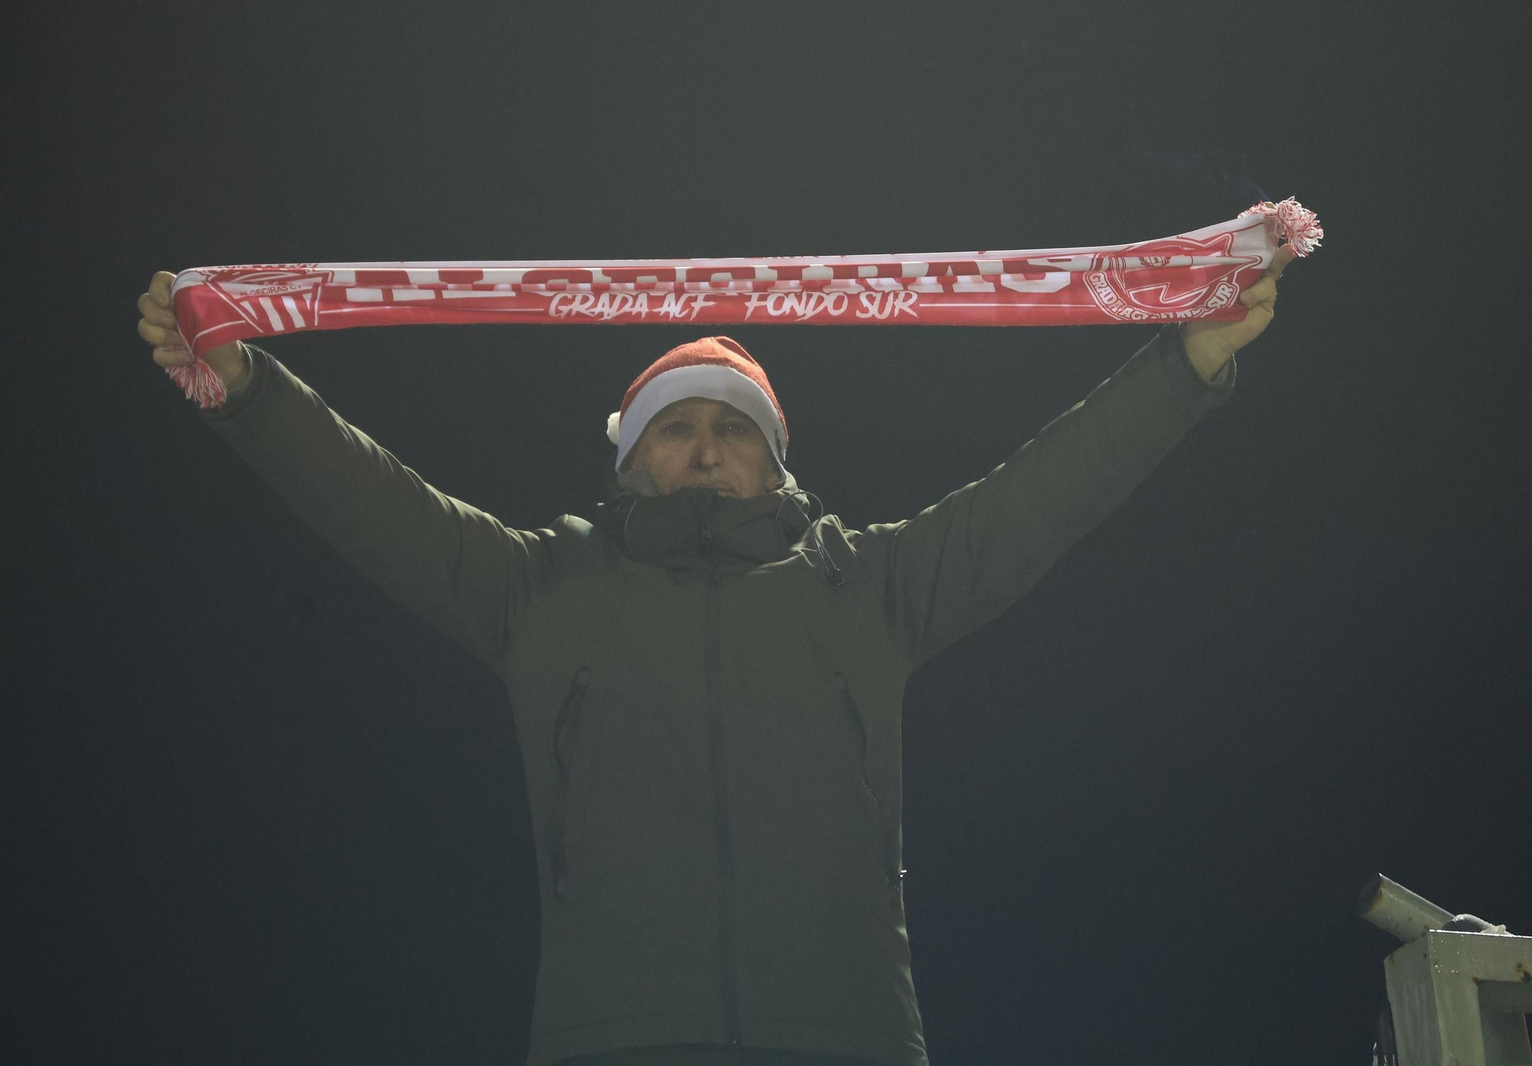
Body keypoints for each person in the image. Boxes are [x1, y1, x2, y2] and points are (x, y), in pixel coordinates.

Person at [136, 249, 1291, 1066]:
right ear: (632, 460)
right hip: (615, 1035)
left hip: (845, 1036)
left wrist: (1185, 363)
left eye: (733, 428)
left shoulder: (866, 584)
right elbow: (371, 500)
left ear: (775, 462)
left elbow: (1040, 495)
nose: (705, 449)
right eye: (678, 427)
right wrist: (242, 386)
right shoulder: (544, 588)